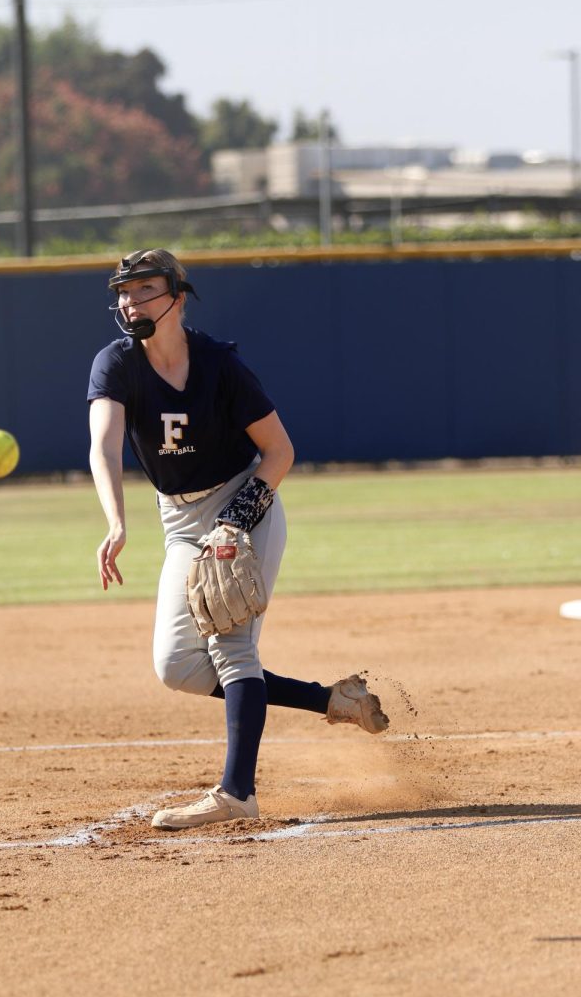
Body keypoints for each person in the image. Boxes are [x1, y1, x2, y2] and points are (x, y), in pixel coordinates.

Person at [87, 248, 389, 830]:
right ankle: (334, 700)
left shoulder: (219, 365)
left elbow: (280, 452)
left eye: (143, 289)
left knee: (231, 646)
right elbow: (104, 442)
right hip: (177, 521)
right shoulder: (116, 363)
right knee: (178, 666)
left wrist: (238, 520)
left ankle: (237, 793)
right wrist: (116, 521)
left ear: (177, 295)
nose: (129, 301)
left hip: (243, 503)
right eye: (123, 291)